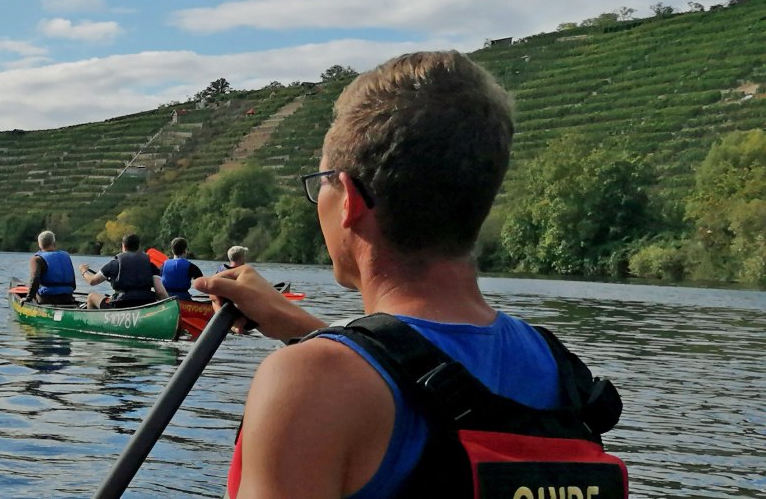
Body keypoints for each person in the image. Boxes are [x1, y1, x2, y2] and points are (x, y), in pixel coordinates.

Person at [198, 52, 626, 498]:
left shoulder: (307, 383)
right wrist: (302, 329)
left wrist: (315, 354)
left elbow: (401, 390)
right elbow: (427, 385)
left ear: (348, 199)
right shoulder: (559, 370)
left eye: (321, 182)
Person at [78, 233, 168, 309]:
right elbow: (160, 291)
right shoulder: (150, 265)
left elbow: (92, 281)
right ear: (138, 247)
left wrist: (83, 271)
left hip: (120, 305)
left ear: (123, 246)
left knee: (91, 297)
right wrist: (169, 304)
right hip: (145, 304)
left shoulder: (114, 264)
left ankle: (95, 325)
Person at [28, 230, 77, 305]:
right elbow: (73, 284)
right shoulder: (66, 255)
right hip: (67, 297)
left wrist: (28, 298)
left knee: (34, 293)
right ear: (54, 243)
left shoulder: (37, 259)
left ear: (39, 244)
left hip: (47, 298)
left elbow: (35, 280)